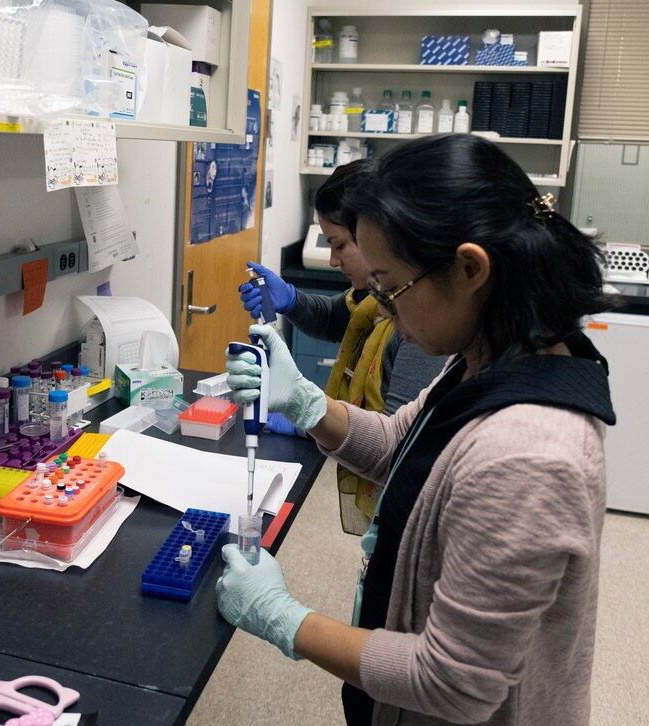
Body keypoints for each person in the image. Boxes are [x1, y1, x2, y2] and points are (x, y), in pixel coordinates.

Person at [219, 134, 615, 725]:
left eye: (389, 288)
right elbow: (401, 444)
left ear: (469, 266)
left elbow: (452, 683)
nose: (385, 314)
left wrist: (284, 618)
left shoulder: (529, 456)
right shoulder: (489, 358)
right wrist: (304, 401)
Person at [239, 159, 446, 535]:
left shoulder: (421, 324)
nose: (333, 260)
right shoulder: (373, 299)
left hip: (402, 501)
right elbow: (341, 317)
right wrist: (291, 300)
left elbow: (396, 446)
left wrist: (308, 411)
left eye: (340, 245)